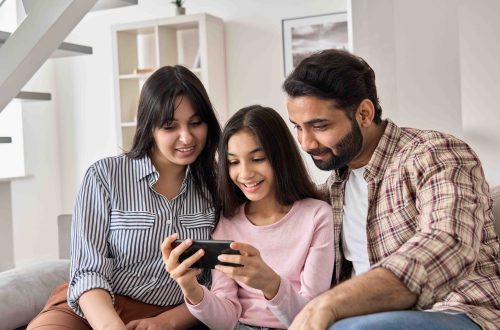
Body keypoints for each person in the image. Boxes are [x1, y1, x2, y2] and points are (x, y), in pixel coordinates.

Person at [283, 49, 500, 330]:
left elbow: (447, 245)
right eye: (298, 128)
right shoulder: (335, 187)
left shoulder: (434, 153)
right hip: (364, 320)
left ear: (364, 113)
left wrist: (332, 302)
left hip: (460, 312)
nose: (306, 143)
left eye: (319, 126)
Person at [28, 65, 221, 330]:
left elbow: (219, 284)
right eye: (169, 126)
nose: (186, 137)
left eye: (196, 123)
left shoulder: (219, 186)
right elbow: (87, 271)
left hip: (172, 316)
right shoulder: (103, 176)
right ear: (149, 127)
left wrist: (168, 322)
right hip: (94, 308)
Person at [161, 105, 335, 330]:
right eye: (233, 162)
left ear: (280, 157)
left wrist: (269, 283)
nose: (245, 174)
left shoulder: (317, 216)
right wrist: (190, 287)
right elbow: (226, 320)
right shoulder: (228, 222)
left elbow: (312, 318)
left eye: (258, 158)